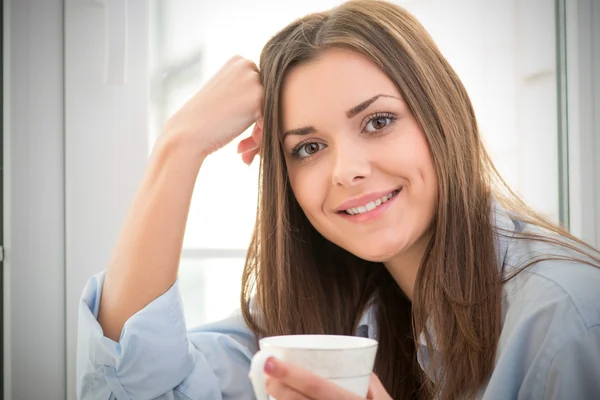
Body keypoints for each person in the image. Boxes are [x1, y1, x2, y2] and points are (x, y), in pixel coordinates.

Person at [77, 1, 600, 399]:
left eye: (378, 121)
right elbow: (133, 387)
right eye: (308, 147)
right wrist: (178, 147)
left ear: (444, 118)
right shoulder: (330, 309)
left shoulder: (567, 316)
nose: (346, 170)